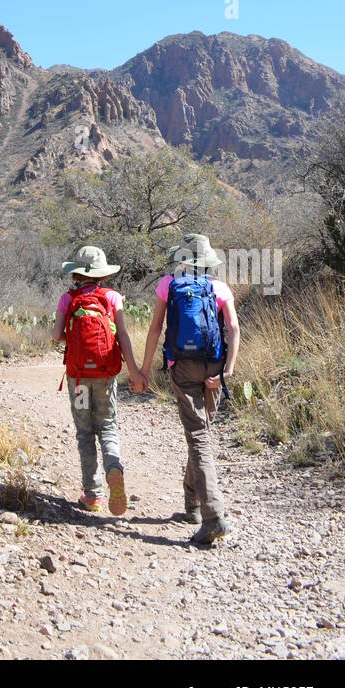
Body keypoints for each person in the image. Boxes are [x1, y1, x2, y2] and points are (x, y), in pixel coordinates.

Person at [138, 233, 240, 547]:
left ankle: (212, 517)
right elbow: (234, 328)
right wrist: (227, 371)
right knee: (202, 434)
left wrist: (144, 369)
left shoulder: (168, 284)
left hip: (182, 366)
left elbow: (155, 327)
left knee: (198, 436)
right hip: (213, 366)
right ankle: (193, 501)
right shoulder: (219, 287)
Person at [53, 245, 145, 516]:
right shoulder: (113, 297)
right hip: (105, 376)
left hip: (79, 378)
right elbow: (123, 337)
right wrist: (135, 370)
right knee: (106, 426)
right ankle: (114, 469)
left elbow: (57, 335)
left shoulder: (67, 299)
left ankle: (92, 495)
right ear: (102, 274)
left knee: (84, 431)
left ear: (76, 273)